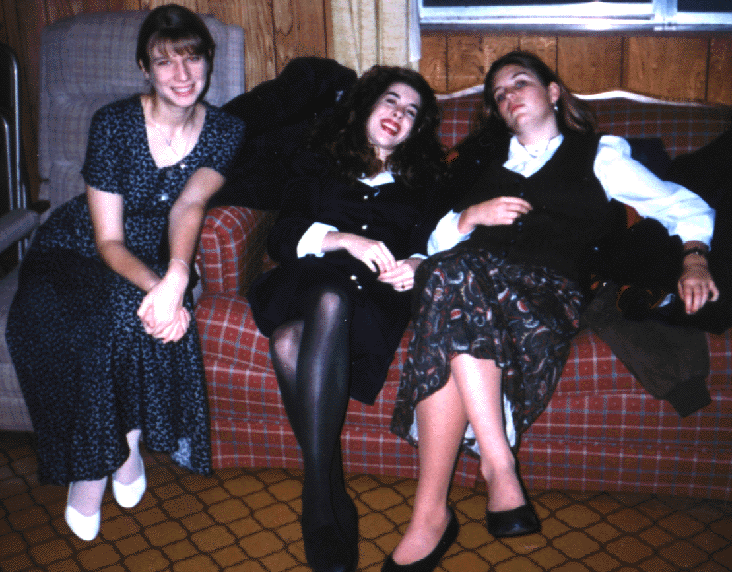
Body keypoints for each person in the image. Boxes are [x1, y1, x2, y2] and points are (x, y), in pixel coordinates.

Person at [383, 50, 719, 572]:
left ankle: (455, 498)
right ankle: (469, 487)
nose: (508, 96)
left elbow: (683, 205)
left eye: (520, 83)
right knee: (449, 280)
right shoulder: (482, 165)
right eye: (499, 94)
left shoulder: (598, 157)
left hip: (545, 297)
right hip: (466, 283)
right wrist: (471, 216)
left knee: (448, 287)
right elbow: (437, 243)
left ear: (554, 93)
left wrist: (694, 258)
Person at [6, 4, 244, 542]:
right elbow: (107, 241)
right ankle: (101, 461)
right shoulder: (113, 123)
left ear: (209, 60)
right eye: (165, 62)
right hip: (77, 246)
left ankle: (125, 443)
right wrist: (161, 288)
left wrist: (177, 276)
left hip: (155, 248)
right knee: (72, 320)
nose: (182, 75)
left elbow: (189, 205)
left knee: (125, 312)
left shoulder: (227, 129)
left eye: (192, 58)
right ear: (144, 68)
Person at [246, 65, 445, 572]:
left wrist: (417, 266)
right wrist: (342, 240)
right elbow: (282, 234)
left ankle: (325, 489)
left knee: (288, 343)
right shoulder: (319, 160)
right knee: (329, 297)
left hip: (373, 301)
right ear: (366, 105)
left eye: (411, 111)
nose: (398, 114)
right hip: (306, 282)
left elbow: (434, 242)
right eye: (390, 100)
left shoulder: (425, 182)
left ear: (417, 129)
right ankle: (321, 499)